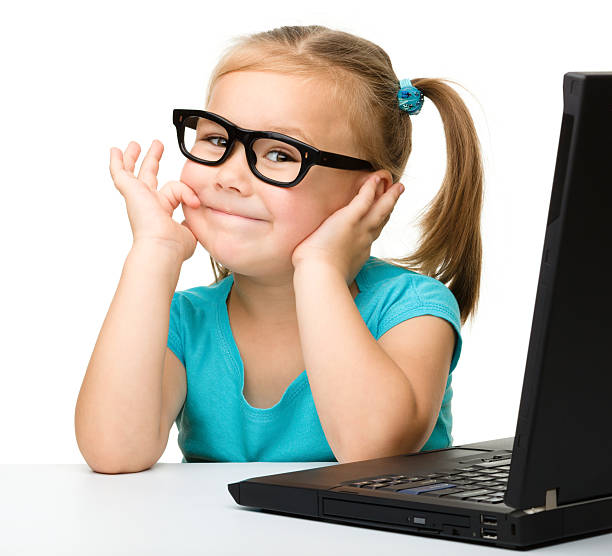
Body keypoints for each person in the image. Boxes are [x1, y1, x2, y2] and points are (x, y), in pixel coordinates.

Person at [75, 25, 484, 473]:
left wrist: (319, 270)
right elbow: (113, 451)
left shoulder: (411, 310)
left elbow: (374, 453)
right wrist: (152, 254)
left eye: (280, 154)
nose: (229, 177)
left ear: (367, 194)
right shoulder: (183, 322)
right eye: (215, 140)